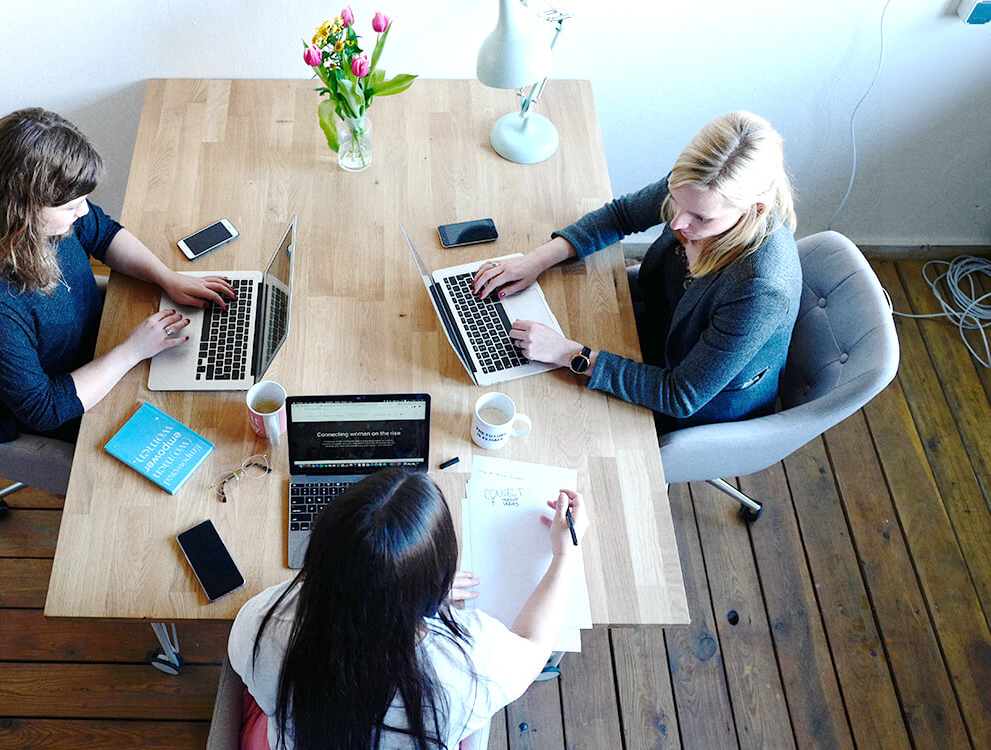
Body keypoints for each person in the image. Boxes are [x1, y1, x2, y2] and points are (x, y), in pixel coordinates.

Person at [473, 111, 800, 432]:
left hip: (694, 404)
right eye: (675, 200)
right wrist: (536, 260)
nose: (677, 223)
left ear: (754, 208)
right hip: (656, 325)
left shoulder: (760, 288)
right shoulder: (696, 187)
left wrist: (566, 352)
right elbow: (621, 216)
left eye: (700, 218)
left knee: (559, 423)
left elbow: (680, 395)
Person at [0, 107, 236, 443]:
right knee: (203, 421)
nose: (83, 211)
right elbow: (43, 409)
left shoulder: (24, 224)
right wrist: (132, 351)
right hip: (61, 400)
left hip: (98, 342)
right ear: (22, 210)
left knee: (208, 381)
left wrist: (166, 277)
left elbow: (103, 233)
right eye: (71, 207)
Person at [227, 468, 588, 750]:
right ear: (438, 583)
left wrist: (389, 587)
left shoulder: (260, 621)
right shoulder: (470, 663)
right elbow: (534, 646)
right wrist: (564, 555)